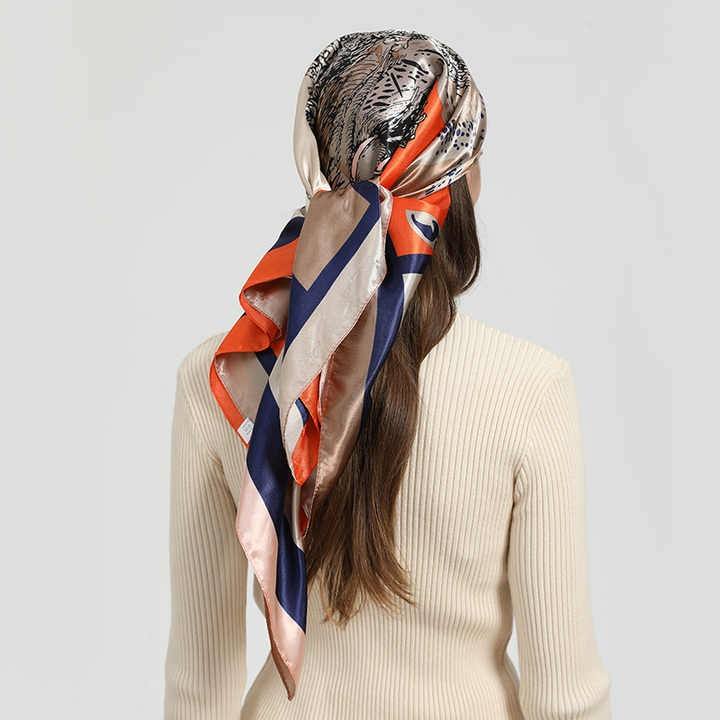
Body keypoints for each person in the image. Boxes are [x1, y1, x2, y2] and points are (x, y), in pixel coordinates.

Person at [163, 30, 611, 720]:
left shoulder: (224, 373)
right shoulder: (531, 387)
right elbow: (564, 697)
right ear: (462, 181)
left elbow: (200, 685)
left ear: (316, 168)